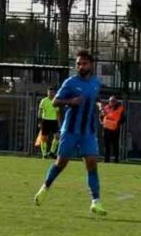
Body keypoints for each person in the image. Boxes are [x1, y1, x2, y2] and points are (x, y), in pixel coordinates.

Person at [34, 50, 107, 215]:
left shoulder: (95, 82)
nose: (81, 66)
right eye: (78, 64)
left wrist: (100, 107)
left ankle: (96, 201)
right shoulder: (70, 83)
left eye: (84, 63)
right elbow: (55, 101)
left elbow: (95, 98)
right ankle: (45, 188)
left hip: (88, 131)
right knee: (61, 163)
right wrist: (70, 101)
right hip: (70, 130)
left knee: (92, 165)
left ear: (91, 65)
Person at [100, 95, 125, 163]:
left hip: (115, 130)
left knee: (115, 145)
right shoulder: (105, 108)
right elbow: (101, 116)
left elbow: (123, 119)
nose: (112, 102)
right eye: (111, 101)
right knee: (106, 145)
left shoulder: (120, 108)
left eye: (114, 101)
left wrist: (117, 124)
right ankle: (106, 159)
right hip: (106, 129)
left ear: (116, 102)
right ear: (109, 101)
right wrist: (102, 122)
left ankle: (116, 159)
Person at [38, 88, 59, 158]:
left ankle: (52, 152)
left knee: (57, 137)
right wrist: (40, 122)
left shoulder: (56, 101)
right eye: (49, 92)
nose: (51, 93)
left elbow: (58, 112)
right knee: (44, 138)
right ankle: (44, 154)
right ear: (47, 93)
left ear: (55, 93)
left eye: (52, 92)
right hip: (45, 120)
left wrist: (59, 122)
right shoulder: (44, 100)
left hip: (54, 121)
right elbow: (40, 111)